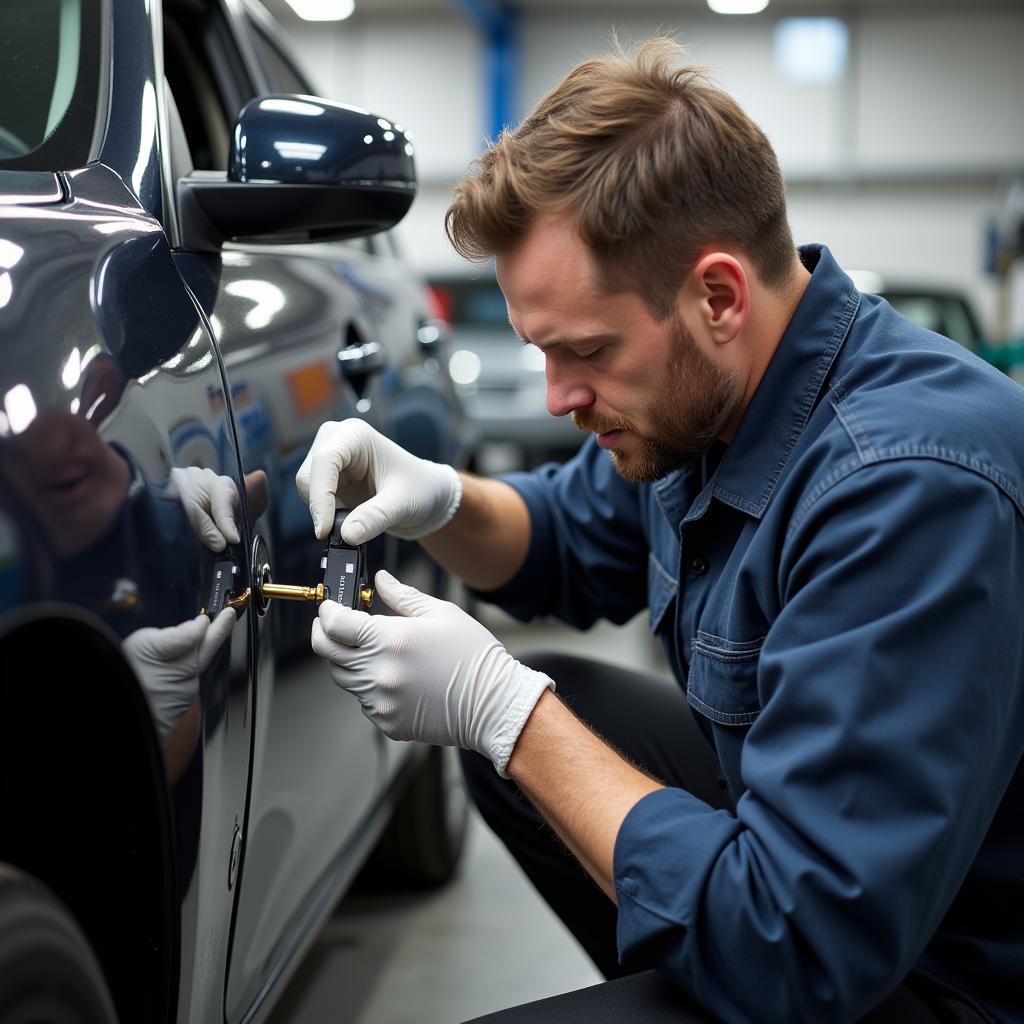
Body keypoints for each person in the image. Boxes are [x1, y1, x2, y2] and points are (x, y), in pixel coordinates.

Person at [298, 38, 1024, 1024]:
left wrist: (501, 706)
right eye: (542, 353)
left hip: (939, 977)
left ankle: (716, 970)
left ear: (717, 295)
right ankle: (696, 968)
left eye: (586, 350)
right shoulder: (718, 400)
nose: (558, 396)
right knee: (568, 713)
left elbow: (802, 944)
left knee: (535, 730)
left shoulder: (904, 488)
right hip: (835, 907)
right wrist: (440, 498)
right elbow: (558, 536)